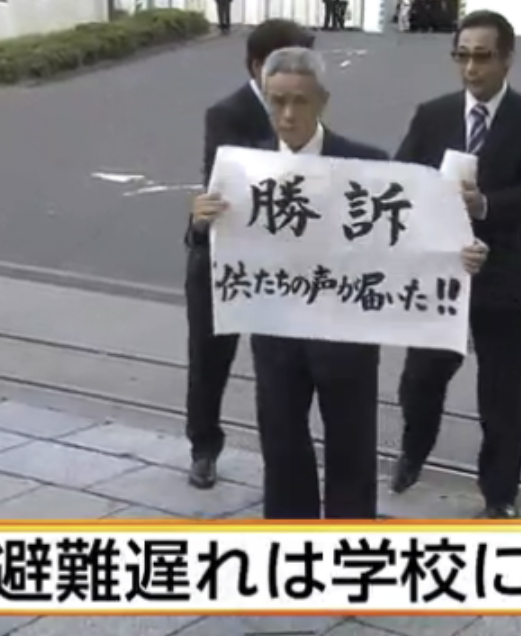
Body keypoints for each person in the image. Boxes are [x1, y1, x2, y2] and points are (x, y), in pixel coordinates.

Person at [190, 47, 490, 519]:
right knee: (282, 445)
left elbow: (410, 239)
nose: (288, 114)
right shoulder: (243, 167)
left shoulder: (364, 164)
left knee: (352, 447)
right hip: (276, 331)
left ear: (322, 101)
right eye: (277, 101)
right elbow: (212, 244)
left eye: (299, 101)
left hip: (347, 333)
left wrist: (459, 255)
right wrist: (200, 222)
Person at [390, 10, 521, 519]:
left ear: (506, 59)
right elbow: (401, 177)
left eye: (482, 57)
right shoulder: (433, 115)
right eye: (462, 56)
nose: (471, 68)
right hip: (439, 272)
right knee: (421, 376)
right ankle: (413, 451)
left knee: (503, 391)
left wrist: (484, 205)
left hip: (501, 271)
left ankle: (499, 494)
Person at [185, 19, 315, 490]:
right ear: (259, 65)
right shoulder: (227, 113)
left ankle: (280, 456)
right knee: (209, 360)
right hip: (222, 256)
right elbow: (237, 175)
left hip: (278, 262)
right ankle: (204, 448)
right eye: (289, 62)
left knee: (279, 367)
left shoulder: (306, 107)